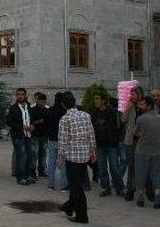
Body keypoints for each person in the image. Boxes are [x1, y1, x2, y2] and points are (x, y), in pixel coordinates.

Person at [56, 91, 96, 224]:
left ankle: (82, 216)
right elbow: (91, 134)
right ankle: (68, 207)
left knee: (76, 187)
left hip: (72, 157)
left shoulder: (65, 119)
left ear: (63, 105)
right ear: (74, 102)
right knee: (76, 183)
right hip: (84, 156)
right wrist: (93, 151)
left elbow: (63, 140)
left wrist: (60, 157)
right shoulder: (86, 115)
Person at [132, 96, 160, 209]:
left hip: (142, 150)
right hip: (156, 151)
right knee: (156, 176)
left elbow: (135, 132)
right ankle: (157, 199)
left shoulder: (141, 118)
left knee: (140, 175)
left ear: (148, 106)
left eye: (142, 104)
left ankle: (140, 198)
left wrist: (140, 134)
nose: (140, 106)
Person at [91, 91, 124, 197]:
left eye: (97, 99)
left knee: (114, 167)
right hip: (99, 145)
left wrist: (117, 141)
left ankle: (119, 188)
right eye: (95, 99)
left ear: (103, 100)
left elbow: (119, 128)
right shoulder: (94, 113)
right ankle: (106, 188)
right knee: (102, 168)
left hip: (112, 145)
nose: (95, 101)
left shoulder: (113, 112)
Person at [8, 88, 34, 185]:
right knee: (21, 156)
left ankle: (27, 176)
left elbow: (31, 119)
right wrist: (21, 126)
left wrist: (32, 125)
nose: (20, 96)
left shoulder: (28, 107)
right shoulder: (13, 108)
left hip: (28, 135)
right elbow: (9, 122)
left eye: (22, 94)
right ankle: (20, 177)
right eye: (18, 94)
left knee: (29, 155)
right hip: (18, 135)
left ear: (25, 95)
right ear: (16, 96)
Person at [46, 92, 68, 191]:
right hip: (62, 140)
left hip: (52, 139)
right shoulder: (65, 111)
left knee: (51, 162)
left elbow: (47, 123)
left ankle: (50, 184)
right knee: (63, 164)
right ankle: (64, 186)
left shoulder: (50, 110)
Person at [29, 92, 48, 179]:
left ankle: (41, 170)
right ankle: (32, 172)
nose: (42, 104)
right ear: (37, 102)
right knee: (34, 154)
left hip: (44, 135)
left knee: (43, 154)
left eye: (44, 102)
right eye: (41, 102)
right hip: (35, 135)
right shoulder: (32, 110)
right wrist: (39, 121)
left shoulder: (47, 110)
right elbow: (30, 122)